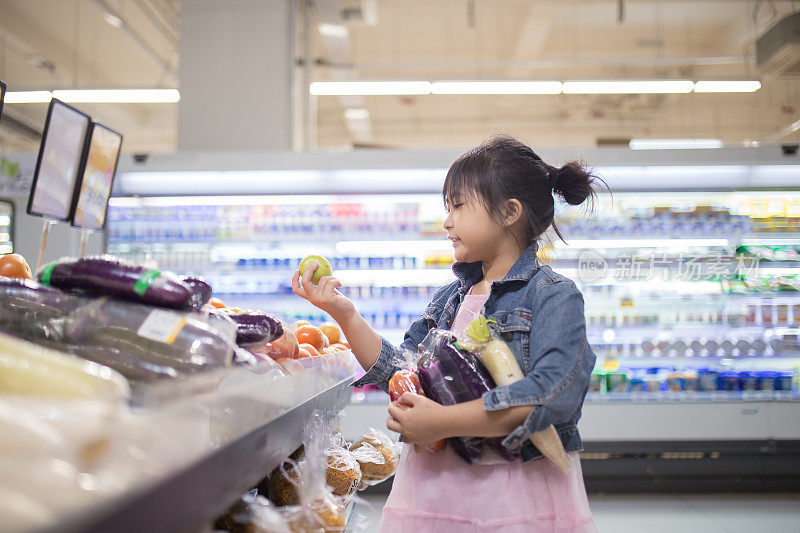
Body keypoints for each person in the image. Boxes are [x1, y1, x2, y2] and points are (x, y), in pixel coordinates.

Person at [292, 135, 600, 532]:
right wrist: (343, 313)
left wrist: (443, 422)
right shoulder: (450, 299)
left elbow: (550, 394)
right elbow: (398, 371)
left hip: (512, 494)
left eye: (458, 205)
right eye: (447, 207)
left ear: (509, 212)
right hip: (433, 490)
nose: (447, 221)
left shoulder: (553, 296)